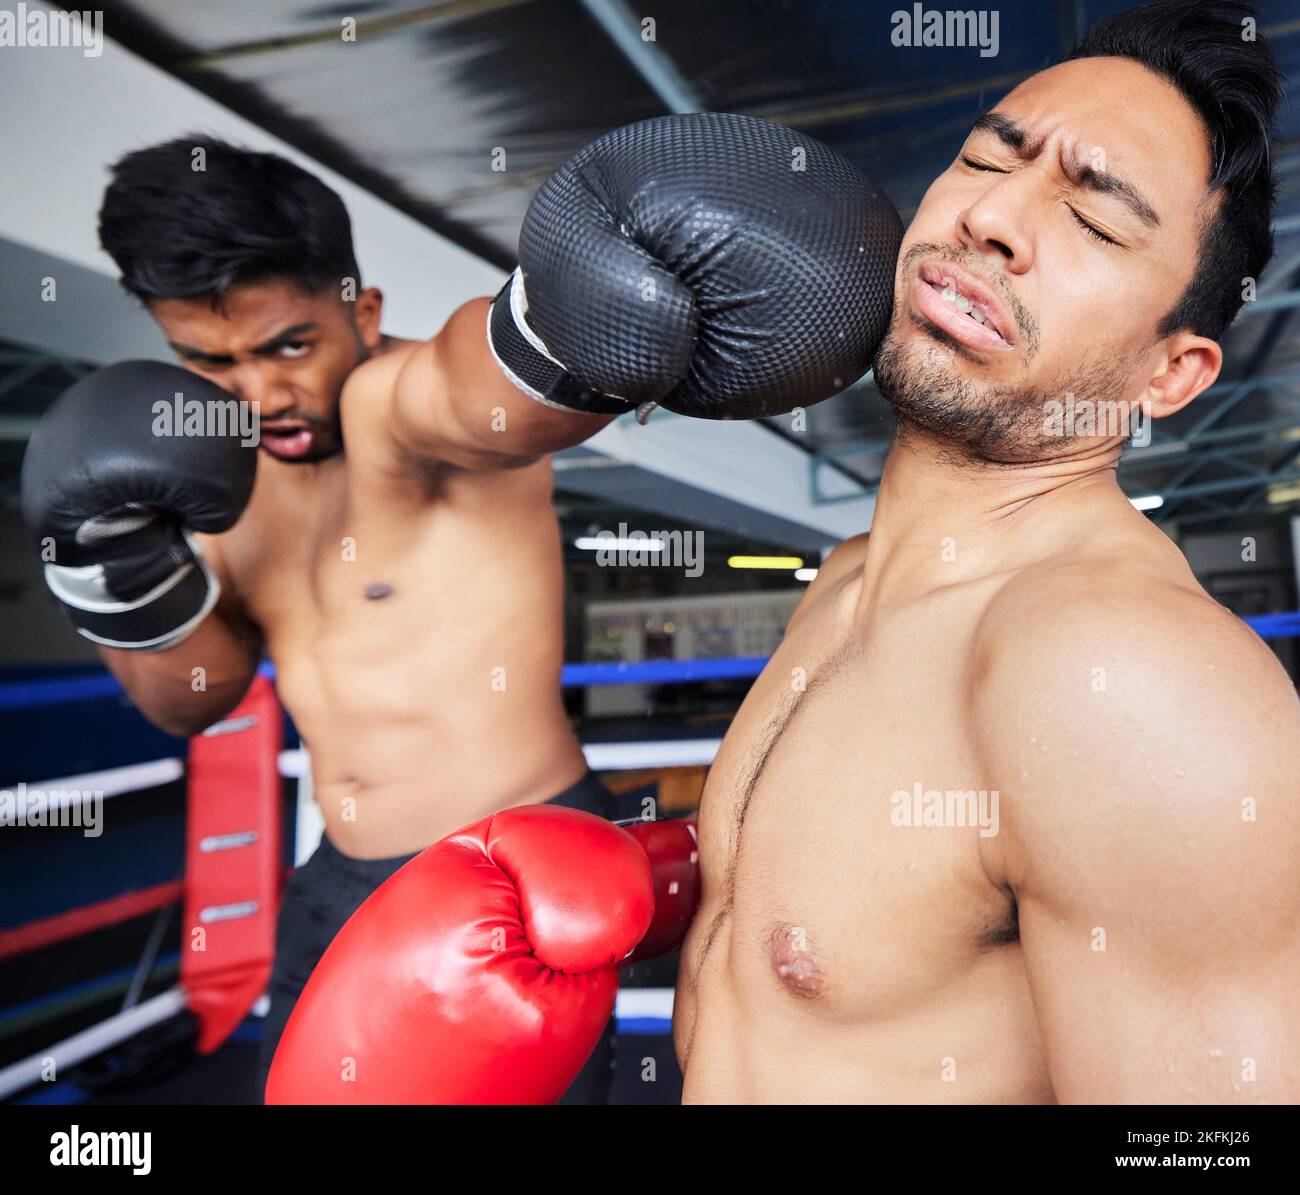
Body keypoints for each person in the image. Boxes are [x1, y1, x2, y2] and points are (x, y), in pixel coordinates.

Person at [265, 0, 1300, 1105]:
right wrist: (657, 871)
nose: (992, 215)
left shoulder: (1132, 679)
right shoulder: (854, 579)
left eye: (1094, 222)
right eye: (982, 157)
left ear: (1172, 375)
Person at [20, 115, 898, 1102]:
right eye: (210, 362)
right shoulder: (211, 476)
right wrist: (112, 570)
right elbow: (194, 699)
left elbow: (482, 394)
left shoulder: (394, 408)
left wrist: (573, 326)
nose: (258, 394)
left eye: (288, 345)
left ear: (363, 308)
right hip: (339, 881)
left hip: (522, 877)